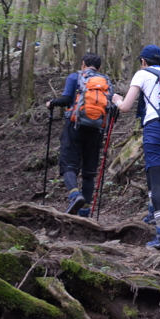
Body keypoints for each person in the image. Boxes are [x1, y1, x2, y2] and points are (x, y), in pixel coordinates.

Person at [113, 44, 160, 250]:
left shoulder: (142, 74)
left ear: (143, 61)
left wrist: (117, 100)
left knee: (157, 180)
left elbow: (126, 107)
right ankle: (152, 212)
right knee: (153, 170)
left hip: (157, 131)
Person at [46, 53, 111, 217]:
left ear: (83, 64)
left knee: (68, 163)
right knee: (89, 170)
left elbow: (66, 99)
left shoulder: (75, 77)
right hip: (97, 129)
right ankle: (85, 212)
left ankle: (75, 195)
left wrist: (52, 103)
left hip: (75, 126)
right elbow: (110, 106)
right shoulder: (106, 82)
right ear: (99, 67)